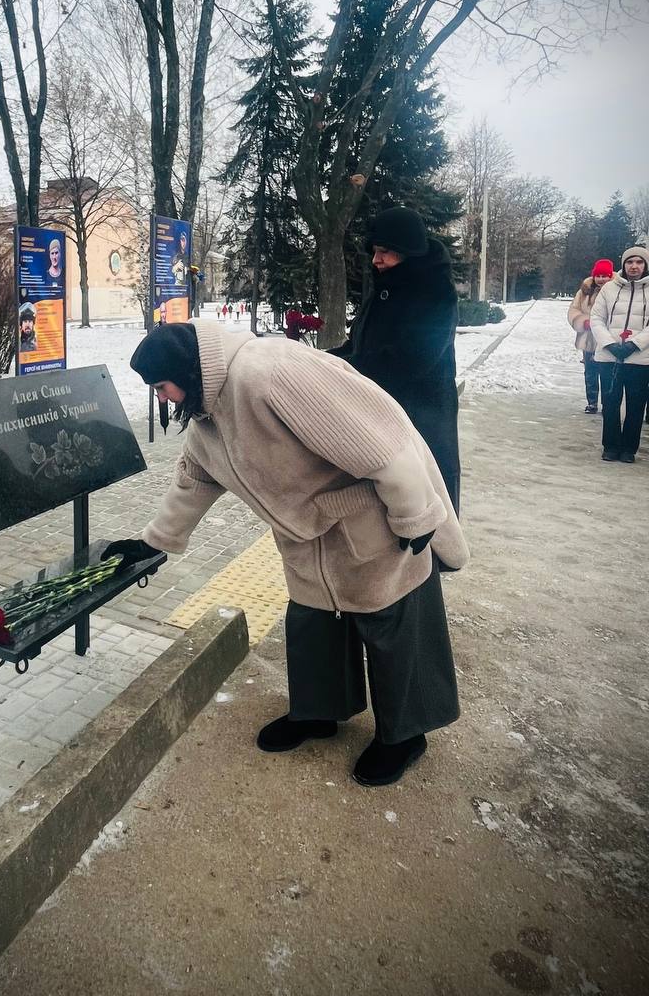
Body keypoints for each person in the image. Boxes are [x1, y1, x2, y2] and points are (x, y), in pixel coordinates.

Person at [103, 321, 468, 787]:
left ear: (187, 369)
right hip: (306, 538)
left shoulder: (270, 374)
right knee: (314, 623)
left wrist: (414, 513)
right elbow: (195, 479)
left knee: (393, 620)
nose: (162, 397)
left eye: (161, 386)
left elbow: (381, 444)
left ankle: (406, 735)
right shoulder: (208, 411)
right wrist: (153, 541)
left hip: (370, 520)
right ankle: (319, 713)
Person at [335, 207, 461, 514]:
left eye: (384, 252)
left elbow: (412, 360)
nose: (375, 260)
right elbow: (358, 344)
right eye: (374, 251)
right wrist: (319, 360)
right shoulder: (385, 288)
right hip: (383, 414)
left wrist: (347, 369)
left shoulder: (435, 293)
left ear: (408, 251)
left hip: (422, 416)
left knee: (426, 504)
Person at [589, 245, 649, 463]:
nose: (634, 266)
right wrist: (609, 343)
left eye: (639, 262)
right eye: (630, 262)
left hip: (640, 358)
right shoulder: (609, 288)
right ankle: (611, 446)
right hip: (610, 357)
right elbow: (597, 318)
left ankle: (629, 449)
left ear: (645, 265)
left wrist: (635, 344)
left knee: (636, 406)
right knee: (610, 403)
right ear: (623, 264)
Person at [568, 259, 614, 413]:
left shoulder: (617, 290)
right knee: (590, 372)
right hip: (588, 338)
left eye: (605, 276)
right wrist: (583, 321)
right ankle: (592, 402)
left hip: (609, 338)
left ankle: (608, 404)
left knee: (608, 373)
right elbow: (574, 309)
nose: (601, 279)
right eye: (598, 275)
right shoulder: (585, 291)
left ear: (610, 276)